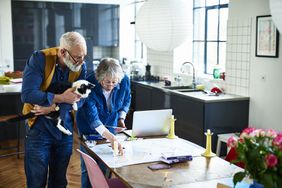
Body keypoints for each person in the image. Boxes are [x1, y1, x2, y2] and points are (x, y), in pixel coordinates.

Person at [21, 31, 87, 187]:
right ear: (63, 52)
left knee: (59, 181)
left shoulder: (80, 66)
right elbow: (28, 94)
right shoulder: (39, 59)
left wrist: (51, 107)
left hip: (64, 128)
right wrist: (62, 98)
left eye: (84, 56)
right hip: (38, 127)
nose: (81, 62)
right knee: (37, 180)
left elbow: (81, 99)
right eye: (77, 57)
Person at [76, 57, 131, 188]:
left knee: (106, 164)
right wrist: (111, 137)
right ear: (100, 78)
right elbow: (92, 118)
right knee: (89, 167)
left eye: (114, 82)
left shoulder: (124, 80)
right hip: (88, 128)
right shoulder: (88, 83)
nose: (111, 85)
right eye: (107, 82)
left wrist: (121, 118)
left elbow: (127, 98)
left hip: (110, 126)